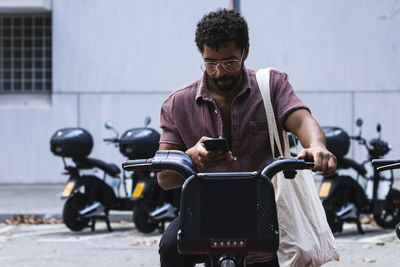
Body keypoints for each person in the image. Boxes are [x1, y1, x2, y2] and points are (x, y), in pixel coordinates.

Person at [157, 8, 337, 267]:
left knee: (282, 255)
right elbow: (164, 177)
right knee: (170, 246)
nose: (220, 72)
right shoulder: (178, 103)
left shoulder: (272, 85)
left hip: (268, 207)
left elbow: (302, 120)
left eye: (229, 61)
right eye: (210, 63)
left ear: (246, 51)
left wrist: (318, 147)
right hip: (206, 210)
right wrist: (192, 158)